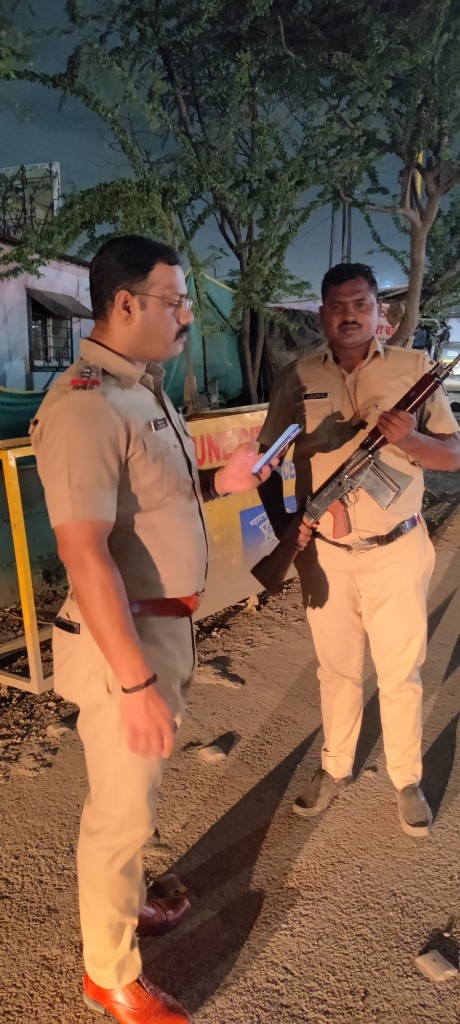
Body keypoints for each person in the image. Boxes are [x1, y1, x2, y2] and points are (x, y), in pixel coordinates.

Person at [30, 235, 276, 1024]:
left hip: (161, 629)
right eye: (175, 301)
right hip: (123, 645)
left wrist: (222, 480)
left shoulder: (141, 389)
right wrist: (135, 681)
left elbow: (153, 497)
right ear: (126, 302)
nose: (186, 316)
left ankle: (126, 898)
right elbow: (86, 553)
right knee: (121, 813)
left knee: (138, 796)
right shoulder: (86, 404)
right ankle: (108, 976)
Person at [257, 262, 460, 839]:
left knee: (400, 673)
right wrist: (290, 526)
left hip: (397, 550)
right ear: (323, 313)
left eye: (361, 304)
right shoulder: (297, 377)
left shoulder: (414, 370)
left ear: (380, 313)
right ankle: (334, 768)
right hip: (326, 553)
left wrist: (410, 439)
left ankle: (406, 779)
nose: (350, 315)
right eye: (338, 305)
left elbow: (453, 456)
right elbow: (266, 462)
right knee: (337, 671)